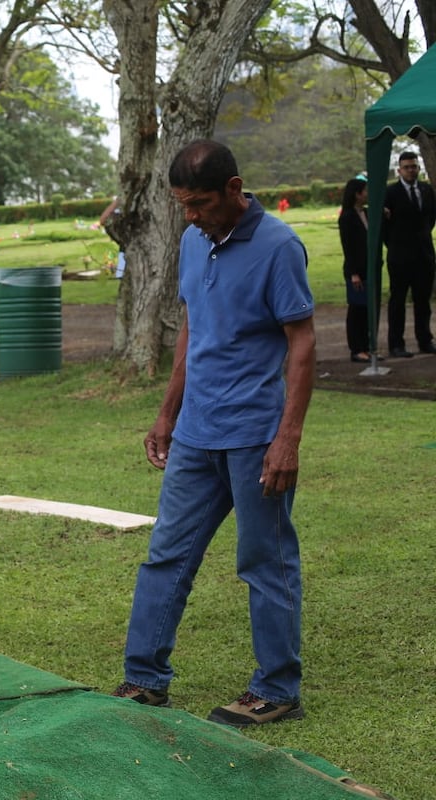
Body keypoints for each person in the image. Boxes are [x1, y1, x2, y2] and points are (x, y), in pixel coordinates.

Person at [112, 140, 315, 727]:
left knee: (265, 560)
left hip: (255, 435)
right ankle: (145, 679)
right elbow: (192, 331)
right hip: (197, 433)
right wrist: (168, 412)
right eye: (183, 206)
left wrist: (288, 439)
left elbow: (301, 344)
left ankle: (277, 689)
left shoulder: (279, 247)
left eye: (200, 203)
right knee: (165, 555)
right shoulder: (193, 240)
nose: (192, 216)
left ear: (234, 188)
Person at [382, 151, 436, 358]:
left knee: (423, 301)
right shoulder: (391, 193)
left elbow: (430, 219)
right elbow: (385, 226)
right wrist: (395, 245)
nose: (411, 170)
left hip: (424, 255)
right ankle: (396, 344)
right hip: (400, 256)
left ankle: (425, 339)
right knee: (398, 301)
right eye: (407, 167)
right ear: (399, 170)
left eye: (414, 166)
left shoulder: (426, 190)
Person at [339, 177, 373, 362]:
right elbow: (348, 247)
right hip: (356, 271)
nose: (368, 194)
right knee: (357, 310)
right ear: (357, 194)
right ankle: (356, 348)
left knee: (367, 309)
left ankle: (367, 346)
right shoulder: (347, 217)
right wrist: (353, 273)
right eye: (365, 191)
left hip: (368, 268)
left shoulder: (366, 214)